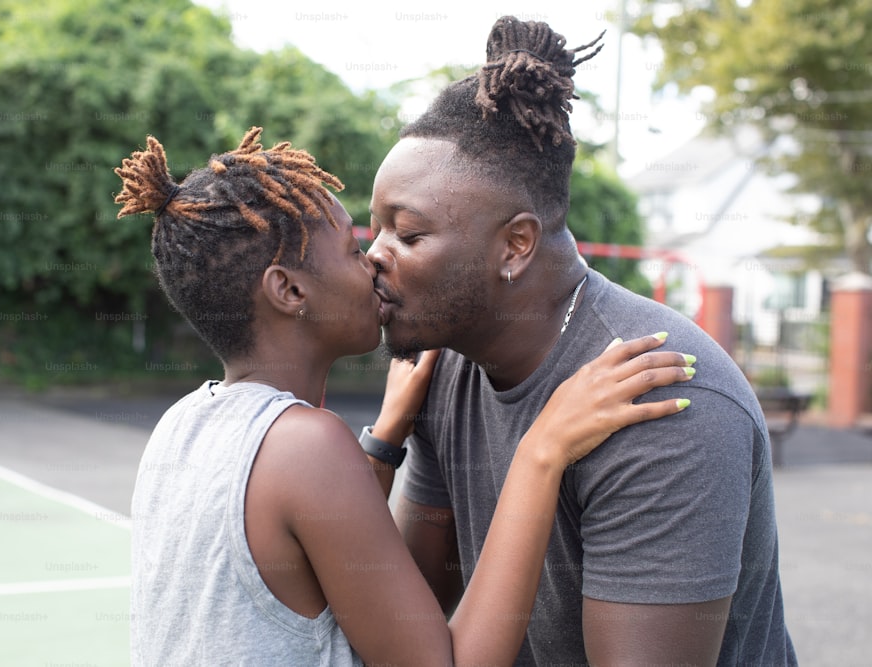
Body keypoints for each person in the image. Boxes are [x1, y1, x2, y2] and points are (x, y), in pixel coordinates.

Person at [114, 127, 696, 666]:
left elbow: (319, 558)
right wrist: (543, 447)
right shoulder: (306, 444)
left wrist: (386, 439)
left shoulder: (182, 425)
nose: (372, 261)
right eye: (349, 249)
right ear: (290, 290)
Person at [365, 15, 796, 666]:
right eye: (375, 229)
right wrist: (383, 439)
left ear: (516, 245)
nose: (374, 255)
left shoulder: (662, 392)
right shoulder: (447, 368)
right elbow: (408, 628)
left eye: (407, 234)